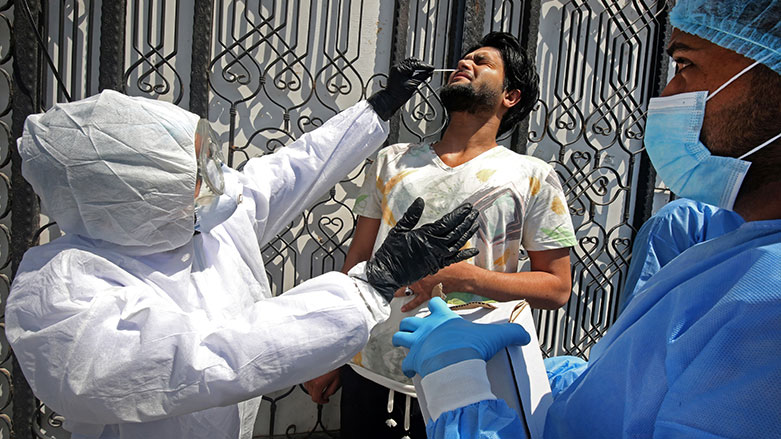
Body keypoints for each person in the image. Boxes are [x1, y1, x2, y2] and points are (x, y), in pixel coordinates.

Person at [5, 59, 485, 439]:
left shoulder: (202, 218)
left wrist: (376, 109)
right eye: (196, 177)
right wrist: (366, 287)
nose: (218, 182)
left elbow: (294, 168)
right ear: (130, 201)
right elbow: (209, 357)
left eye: (205, 160)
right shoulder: (62, 292)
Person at [393, 0, 781, 437]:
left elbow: (556, 285)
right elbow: (635, 392)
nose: (666, 95)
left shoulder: (767, 308)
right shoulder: (726, 254)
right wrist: (570, 386)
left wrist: (455, 381)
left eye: (685, 64)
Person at [305, 32, 576, 438]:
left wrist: (467, 278)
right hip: (370, 372)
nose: (465, 63)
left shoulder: (533, 177)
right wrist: (334, 353)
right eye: (464, 58)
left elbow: (556, 288)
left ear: (511, 96)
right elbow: (357, 261)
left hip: (467, 384)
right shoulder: (392, 161)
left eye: (482, 62)